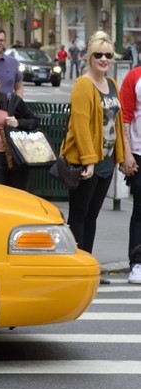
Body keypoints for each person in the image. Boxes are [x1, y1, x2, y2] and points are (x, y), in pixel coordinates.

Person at [60, 32, 137, 254]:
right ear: (89, 58)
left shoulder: (111, 83)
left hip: (107, 161)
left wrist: (121, 158)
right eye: (98, 55)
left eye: (108, 55)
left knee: (92, 215)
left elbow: (118, 122)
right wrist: (89, 161)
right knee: (79, 215)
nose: (104, 59)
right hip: (87, 162)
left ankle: (88, 263)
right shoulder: (83, 85)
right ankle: (76, 266)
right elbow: (81, 126)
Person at [120, 55, 141, 284]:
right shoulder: (134, 76)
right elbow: (124, 115)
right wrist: (126, 153)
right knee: (140, 209)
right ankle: (137, 263)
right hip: (139, 151)